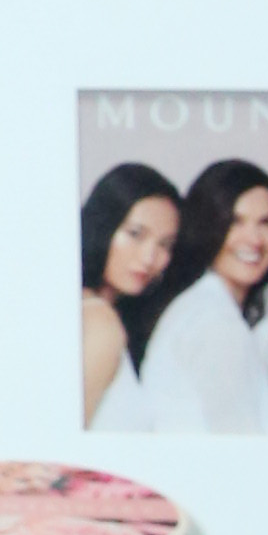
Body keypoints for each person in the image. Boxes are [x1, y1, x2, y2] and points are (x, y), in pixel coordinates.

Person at [136, 156, 268, 436]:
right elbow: (242, 450)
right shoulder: (214, 321)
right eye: (235, 221)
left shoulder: (205, 307)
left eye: (266, 222)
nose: (254, 239)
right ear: (207, 227)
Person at [80, 160, 180, 431]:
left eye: (165, 245)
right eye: (136, 234)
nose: (150, 258)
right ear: (104, 225)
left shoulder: (102, 314)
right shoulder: (100, 321)